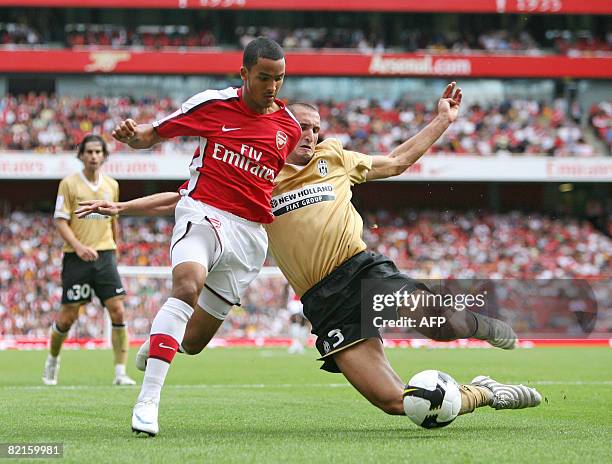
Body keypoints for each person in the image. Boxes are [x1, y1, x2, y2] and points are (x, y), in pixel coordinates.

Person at [79, 83, 540, 430]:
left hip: (361, 272)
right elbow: (187, 197)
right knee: (399, 402)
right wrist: (122, 207)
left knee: (442, 326)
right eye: (303, 126)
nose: (312, 134)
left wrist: (443, 119)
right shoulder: (258, 174)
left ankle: (482, 325)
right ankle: (484, 392)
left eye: (318, 127)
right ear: (282, 129)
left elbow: (397, 162)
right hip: (322, 302)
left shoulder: (335, 158)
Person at [109, 37, 302, 436]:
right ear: (245, 73)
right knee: (185, 286)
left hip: (249, 238)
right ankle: (147, 401)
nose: (272, 86)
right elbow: (153, 134)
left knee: (194, 341)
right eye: (264, 77)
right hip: (204, 213)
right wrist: (133, 135)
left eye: (279, 79)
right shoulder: (213, 105)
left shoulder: (290, 128)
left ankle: (160, 341)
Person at [43, 134, 136, 387]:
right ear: (81, 155)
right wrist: (79, 247)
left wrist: (115, 250)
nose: (94, 156)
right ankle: (52, 360)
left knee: (118, 310)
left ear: (104, 156)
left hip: (105, 255)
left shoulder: (112, 185)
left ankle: (120, 372)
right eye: (89, 152)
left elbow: (114, 219)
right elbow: (61, 221)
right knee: (67, 317)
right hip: (76, 257)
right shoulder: (69, 184)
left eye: (98, 152)